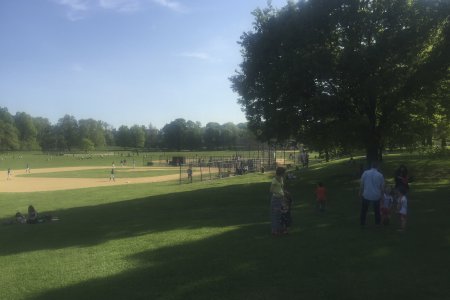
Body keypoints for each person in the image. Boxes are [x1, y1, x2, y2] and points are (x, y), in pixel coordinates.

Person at [359, 161, 385, 227]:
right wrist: (382, 197)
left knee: (364, 210)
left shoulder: (365, 173)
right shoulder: (380, 175)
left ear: (371, 166)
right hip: (376, 195)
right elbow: (382, 187)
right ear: (377, 167)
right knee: (377, 210)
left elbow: (361, 184)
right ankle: (377, 223)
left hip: (366, 194)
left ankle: (362, 223)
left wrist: (360, 192)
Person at [270, 167, 286, 236]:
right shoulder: (274, 179)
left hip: (281, 199)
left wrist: (284, 193)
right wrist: (279, 193)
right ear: (281, 173)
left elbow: (282, 188)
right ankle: (274, 230)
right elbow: (271, 190)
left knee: (281, 214)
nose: (285, 174)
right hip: (276, 199)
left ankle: (280, 229)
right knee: (275, 215)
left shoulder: (282, 179)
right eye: (284, 173)